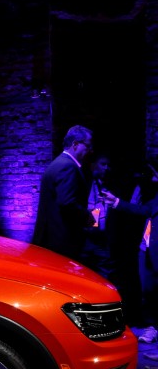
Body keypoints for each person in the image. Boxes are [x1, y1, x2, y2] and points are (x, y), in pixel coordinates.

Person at [100, 162, 158, 349]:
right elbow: (144, 209)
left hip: (155, 248)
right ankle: (152, 326)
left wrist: (117, 202)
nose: (153, 179)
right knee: (146, 289)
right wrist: (117, 202)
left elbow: (147, 210)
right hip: (145, 248)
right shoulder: (151, 192)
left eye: (155, 175)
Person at [32, 125, 96, 261]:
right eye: (88, 146)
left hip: (52, 238)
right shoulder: (68, 166)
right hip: (61, 240)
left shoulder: (57, 163)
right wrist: (86, 215)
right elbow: (67, 203)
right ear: (75, 144)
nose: (91, 150)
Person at [79, 152, 115, 278]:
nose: (106, 168)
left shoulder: (108, 184)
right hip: (86, 236)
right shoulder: (84, 183)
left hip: (102, 237)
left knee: (105, 271)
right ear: (93, 166)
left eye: (108, 165)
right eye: (103, 164)